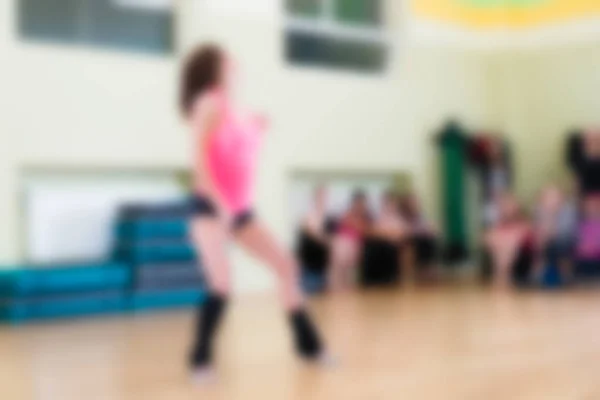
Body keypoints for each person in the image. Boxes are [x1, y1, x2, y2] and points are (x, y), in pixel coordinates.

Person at [181, 44, 330, 381]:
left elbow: (239, 153)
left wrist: (259, 126)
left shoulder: (234, 109)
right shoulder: (207, 103)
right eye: (227, 60)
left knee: (287, 266)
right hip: (209, 208)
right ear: (216, 68)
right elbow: (199, 160)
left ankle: (309, 346)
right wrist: (219, 205)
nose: (235, 64)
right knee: (221, 283)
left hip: (240, 210)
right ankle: (200, 361)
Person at [484, 193, 533, 288]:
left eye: (511, 206)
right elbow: (487, 238)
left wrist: (508, 240)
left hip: (523, 256)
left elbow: (525, 236)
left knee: (508, 245)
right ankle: (503, 276)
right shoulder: (497, 223)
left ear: (517, 207)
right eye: (505, 206)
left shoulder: (524, 221)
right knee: (502, 245)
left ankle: (502, 276)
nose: (508, 209)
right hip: (502, 252)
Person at [360, 191, 407, 286]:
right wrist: (384, 234)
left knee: (387, 248)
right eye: (387, 203)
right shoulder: (379, 216)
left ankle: (388, 278)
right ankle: (371, 279)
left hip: (392, 246)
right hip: (379, 244)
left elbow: (400, 234)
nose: (389, 205)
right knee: (370, 248)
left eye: (391, 203)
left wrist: (384, 234)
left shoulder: (399, 218)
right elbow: (371, 231)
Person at [328, 190, 371, 291]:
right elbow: (341, 228)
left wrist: (355, 224)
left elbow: (363, 229)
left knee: (347, 252)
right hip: (342, 242)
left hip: (355, 245)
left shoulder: (367, 216)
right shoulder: (347, 214)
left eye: (362, 202)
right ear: (354, 203)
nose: (360, 205)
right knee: (339, 247)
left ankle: (347, 288)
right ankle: (337, 287)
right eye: (358, 202)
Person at [533, 185, 577, 284]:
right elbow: (538, 228)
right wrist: (549, 216)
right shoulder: (539, 210)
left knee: (562, 246)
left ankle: (566, 274)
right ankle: (538, 273)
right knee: (540, 244)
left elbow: (566, 230)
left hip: (565, 239)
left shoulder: (568, 210)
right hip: (545, 240)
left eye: (555, 197)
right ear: (542, 199)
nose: (552, 201)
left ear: (561, 199)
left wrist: (552, 218)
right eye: (548, 198)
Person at [297, 186, 331, 293]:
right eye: (320, 196)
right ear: (314, 198)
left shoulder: (328, 218)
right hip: (309, 270)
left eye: (325, 197)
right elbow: (315, 235)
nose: (323, 200)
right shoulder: (308, 217)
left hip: (322, 269)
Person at [398, 193, 439, 280]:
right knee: (422, 242)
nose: (414, 204)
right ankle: (423, 269)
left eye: (415, 202)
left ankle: (427, 267)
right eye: (412, 202)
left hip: (419, 237)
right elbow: (404, 229)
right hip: (408, 238)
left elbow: (428, 226)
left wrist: (430, 230)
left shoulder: (419, 215)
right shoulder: (402, 215)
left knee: (430, 240)